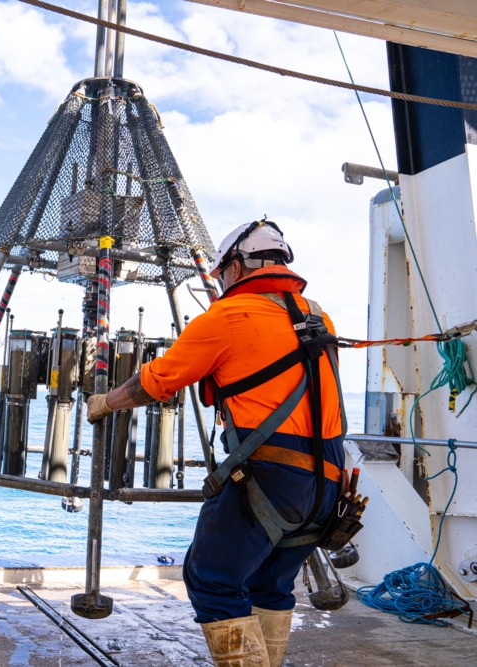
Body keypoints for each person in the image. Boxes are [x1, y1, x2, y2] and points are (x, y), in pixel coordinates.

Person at [88, 221, 345, 667]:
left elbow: (157, 381)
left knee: (212, 579)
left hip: (273, 474)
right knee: (269, 585)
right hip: (329, 479)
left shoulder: (227, 317)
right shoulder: (318, 316)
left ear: (237, 267)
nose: (219, 280)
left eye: (222, 271)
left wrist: (105, 403)